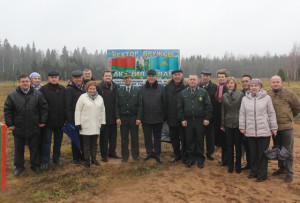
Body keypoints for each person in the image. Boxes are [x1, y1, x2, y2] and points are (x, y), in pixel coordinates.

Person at [4, 74, 48, 176]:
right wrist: (9, 123)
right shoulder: (12, 95)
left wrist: (42, 121)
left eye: (27, 81)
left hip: (34, 126)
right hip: (18, 127)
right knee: (19, 148)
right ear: (19, 82)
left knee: (34, 147)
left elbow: (44, 108)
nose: (25, 83)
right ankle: (19, 166)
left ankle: (35, 165)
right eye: (23, 81)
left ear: (30, 82)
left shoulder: (38, 94)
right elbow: (7, 110)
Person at [239, 79, 278, 182]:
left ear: (260, 86)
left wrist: (274, 127)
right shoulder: (245, 99)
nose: (254, 87)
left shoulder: (267, 98)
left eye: (256, 85)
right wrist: (242, 127)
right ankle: (254, 171)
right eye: (252, 86)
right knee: (253, 152)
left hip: (264, 130)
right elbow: (242, 114)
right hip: (250, 130)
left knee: (262, 153)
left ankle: (262, 174)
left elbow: (271, 113)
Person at [268, 75, 300, 182]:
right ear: (271, 83)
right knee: (278, 148)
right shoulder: (268, 94)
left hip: (286, 127)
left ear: (282, 83)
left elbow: (297, 108)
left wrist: (289, 117)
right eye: (273, 82)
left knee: (288, 150)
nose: (275, 84)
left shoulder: (290, 94)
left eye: (277, 82)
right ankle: (281, 168)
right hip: (274, 127)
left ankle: (289, 172)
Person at [178, 74, 212, 168]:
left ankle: (200, 160)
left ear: (197, 81)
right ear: (188, 81)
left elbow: (208, 106)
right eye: (191, 79)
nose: (192, 81)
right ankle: (191, 159)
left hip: (200, 121)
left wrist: (207, 118)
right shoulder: (183, 93)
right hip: (188, 121)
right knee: (189, 141)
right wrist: (182, 119)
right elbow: (180, 107)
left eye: (194, 80)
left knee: (200, 140)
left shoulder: (203, 92)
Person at [75, 81, 105, 168]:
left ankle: (94, 158)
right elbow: (78, 110)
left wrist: (103, 122)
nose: (92, 90)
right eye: (90, 89)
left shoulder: (100, 98)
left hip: (96, 124)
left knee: (94, 143)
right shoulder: (82, 97)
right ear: (87, 89)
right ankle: (87, 160)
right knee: (86, 143)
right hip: (86, 124)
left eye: (94, 89)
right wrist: (78, 123)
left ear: (96, 89)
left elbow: (103, 111)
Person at [40, 71, 65, 171]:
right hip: (48, 122)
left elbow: (65, 104)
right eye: (52, 77)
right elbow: (41, 106)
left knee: (58, 141)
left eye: (56, 77)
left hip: (60, 121)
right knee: (46, 142)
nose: (54, 79)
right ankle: (45, 161)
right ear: (48, 78)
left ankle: (56, 158)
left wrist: (65, 118)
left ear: (58, 78)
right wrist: (43, 120)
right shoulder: (43, 89)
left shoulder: (62, 89)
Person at [115, 72, 142, 162]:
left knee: (134, 138)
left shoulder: (137, 90)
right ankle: (125, 156)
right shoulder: (119, 90)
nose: (127, 79)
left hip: (134, 118)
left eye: (128, 78)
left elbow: (140, 105)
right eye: (125, 78)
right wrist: (118, 118)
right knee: (124, 138)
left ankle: (135, 155)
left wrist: (139, 118)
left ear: (131, 79)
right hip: (123, 118)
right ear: (123, 80)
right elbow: (117, 106)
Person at [141, 69, 166, 164]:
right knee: (147, 137)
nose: (151, 77)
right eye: (149, 76)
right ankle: (149, 152)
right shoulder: (142, 88)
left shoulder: (162, 88)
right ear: (147, 77)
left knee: (157, 137)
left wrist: (164, 116)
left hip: (158, 118)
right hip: (146, 118)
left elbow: (165, 103)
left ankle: (157, 154)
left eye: (153, 76)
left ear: (156, 77)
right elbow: (140, 104)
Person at [221, 77, 244, 173]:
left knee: (238, 147)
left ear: (235, 84)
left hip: (238, 123)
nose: (230, 85)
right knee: (229, 146)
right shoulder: (224, 96)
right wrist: (222, 124)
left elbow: (243, 110)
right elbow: (223, 110)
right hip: (228, 123)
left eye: (231, 83)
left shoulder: (241, 95)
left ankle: (238, 166)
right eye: (228, 83)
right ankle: (230, 166)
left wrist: (243, 123)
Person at [97, 70, 121, 162]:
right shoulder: (99, 87)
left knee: (113, 137)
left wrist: (118, 116)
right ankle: (104, 155)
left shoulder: (116, 87)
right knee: (104, 137)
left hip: (114, 117)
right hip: (103, 117)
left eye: (109, 76)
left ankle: (112, 152)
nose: (108, 77)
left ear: (112, 77)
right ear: (103, 77)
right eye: (106, 76)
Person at [166, 70, 188, 163]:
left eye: (179, 75)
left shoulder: (186, 86)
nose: (177, 76)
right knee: (174, 138)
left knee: (184, 139)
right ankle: (177, 155)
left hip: (183, 118)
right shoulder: (168, 86)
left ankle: (185, 156)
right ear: (172, 76)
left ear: (182, 76)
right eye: (175, 75)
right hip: (171, 117)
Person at [65, 70, 85, 164]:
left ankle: (83, 155)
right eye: (76, 78)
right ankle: (76, 157)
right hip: (74, 118)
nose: (78, 79)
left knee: (83, 137)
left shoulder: (84, 87)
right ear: (73, 78)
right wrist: (70, 119)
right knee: (75, 138)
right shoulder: (69, 89)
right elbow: (67, 105)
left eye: (80, 77)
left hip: (84, 117)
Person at [199, 70, 217, 161]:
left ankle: (210, 153)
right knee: (200, 136)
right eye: (203, 76)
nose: (205, 77)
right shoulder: (198, 86)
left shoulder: (214, 87)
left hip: (210, 117)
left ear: (210, 77)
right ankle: (200, 152)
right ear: (201, 76)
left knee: (210, 137)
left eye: (207, 76)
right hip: (199, 117)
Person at [214, 69, 229, 166]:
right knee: (222, 140)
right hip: (218, 116)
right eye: (219, 77)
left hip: (226, 116)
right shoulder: (217, 87)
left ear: (226, 78)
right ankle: (224, 159)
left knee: (226, 140)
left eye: (222, 77)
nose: (221, 78)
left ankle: (227, 160)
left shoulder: (227, 88)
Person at [240, 75, 252, 170]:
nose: (245, 83)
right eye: (243, 81)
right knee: (245, 145)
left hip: (253, 124)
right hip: (243, 124)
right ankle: (248, 164)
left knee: (253, 146)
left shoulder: (256, 93)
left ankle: (254, 165)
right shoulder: (239, 93)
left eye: (247, 81)